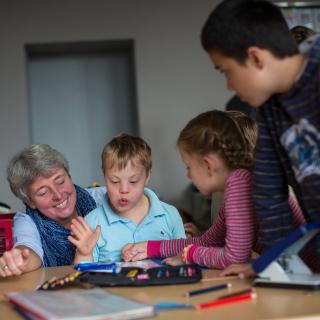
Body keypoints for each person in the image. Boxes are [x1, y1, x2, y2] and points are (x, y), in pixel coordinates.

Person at [201, 0, 320, 277]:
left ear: (255, 58)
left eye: (226, 71)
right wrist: (273, 264)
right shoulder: (268, 108)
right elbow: (269, 193)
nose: (229, 85)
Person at [121, 110, 270, 269]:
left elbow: (234, 258)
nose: (188, 175)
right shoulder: (238, 182)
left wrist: (189, 255)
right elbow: (207, 241)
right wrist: (150, 248)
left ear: (208, 165)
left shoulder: (239, 184)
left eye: (188, 167)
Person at [68, 133, 185, 263]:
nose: (124, 190)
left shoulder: (170, 215)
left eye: (133, 181)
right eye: (114, 181)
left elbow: (184, 261)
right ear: (104, 175)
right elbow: (81, 277)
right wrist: (83, 254)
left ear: (147, 177)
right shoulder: (92, 223)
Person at [0, 144, 106, 278]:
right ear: (30, 202)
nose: (57, 195)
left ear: (69, 176)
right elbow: (28, 249)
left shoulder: (103, 198)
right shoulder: (27, 221)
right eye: (43, 192)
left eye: (60, 181)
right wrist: (19, 260)